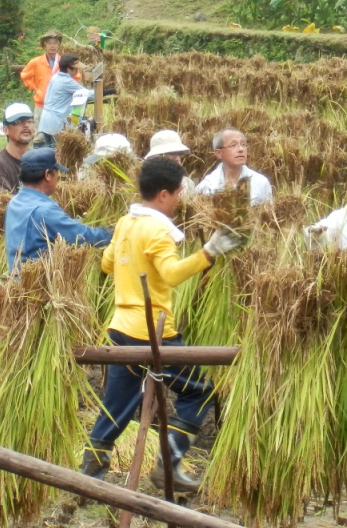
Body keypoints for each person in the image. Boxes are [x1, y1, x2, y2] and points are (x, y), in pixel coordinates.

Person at [80, 157, 246, 492]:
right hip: (153, 333)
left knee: (117, 406)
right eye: (180, 193)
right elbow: (170, 275)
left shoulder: (127, 222)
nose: (181, 200)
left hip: (121, 328)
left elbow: (108, 263)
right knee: (198, 391)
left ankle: (89, 474)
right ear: (165, 195)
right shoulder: (156, 228)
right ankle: (168, 466)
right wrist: (209, 253)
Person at [4, 147, 111, 272]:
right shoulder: (44, 211)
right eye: (56, 173)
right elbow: (82, 236)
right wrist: (114, 232)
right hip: (37, 285)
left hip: (16, 280)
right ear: (48, 174)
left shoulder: (15, 202)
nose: (58, 178)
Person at [196, 127, 273, 205]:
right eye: (233, 145)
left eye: (243, 144)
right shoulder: (206, 186)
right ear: (219, 153)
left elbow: (269, 214)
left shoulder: (261, 182)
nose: (241, 149)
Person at [37, 54, 93, 147]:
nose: (77, 71)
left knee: (49, 153)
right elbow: (87, 94)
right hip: (55, 123)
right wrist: (107, 91)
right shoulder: (66, 81)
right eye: (75, 68)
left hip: (46, 121)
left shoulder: (56, 77)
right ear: (68, 68)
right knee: (57, 154)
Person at [0, 103, 34, 194]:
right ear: (5, 130)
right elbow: (5, 203)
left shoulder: (37, 161)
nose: (26, 125)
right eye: (19, 122)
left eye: (29, 121)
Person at [20, 30, 64, 125]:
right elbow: (25, 75)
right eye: (49, 43)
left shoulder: (64, 62)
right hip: (41, 103)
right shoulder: (36, 62)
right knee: (39, 135)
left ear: (58, 45)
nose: (52, 46)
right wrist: (33, 87)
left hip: (59, 103)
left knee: (58, 134)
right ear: (44, 45)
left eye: (55, 43)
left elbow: (75, 76)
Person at [145, 130, 195, 196]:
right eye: (170, 153)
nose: (176, 157)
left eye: (178, 153)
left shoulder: (188, 184)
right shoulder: (149, 186)